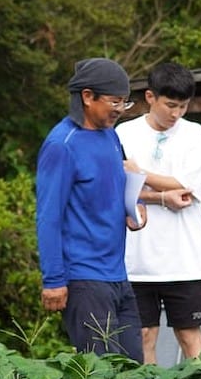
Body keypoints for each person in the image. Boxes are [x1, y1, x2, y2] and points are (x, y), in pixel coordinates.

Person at [35, 57, 147, 362]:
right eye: (114, 101)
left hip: (118, 275)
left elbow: (117, 190)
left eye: (124, 103)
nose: (119, 110)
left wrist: (135, 209)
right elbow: (48, 216)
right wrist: (53, 280)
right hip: (84, 278)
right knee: (101, 378)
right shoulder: (62, 144)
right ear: (87, 96)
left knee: (135, 371)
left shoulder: (110, 136)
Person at [117, 62, 201, 363]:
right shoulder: (124, 133)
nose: (176, 114)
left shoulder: (195, 134)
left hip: (183, 259)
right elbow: (119, 187)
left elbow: (187, 185)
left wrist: (139, 173)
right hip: (137, 258)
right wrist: (162, 197)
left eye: (183, 106)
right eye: (170, 105)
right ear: (150, 97)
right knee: (143, 336)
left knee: (190, 336)